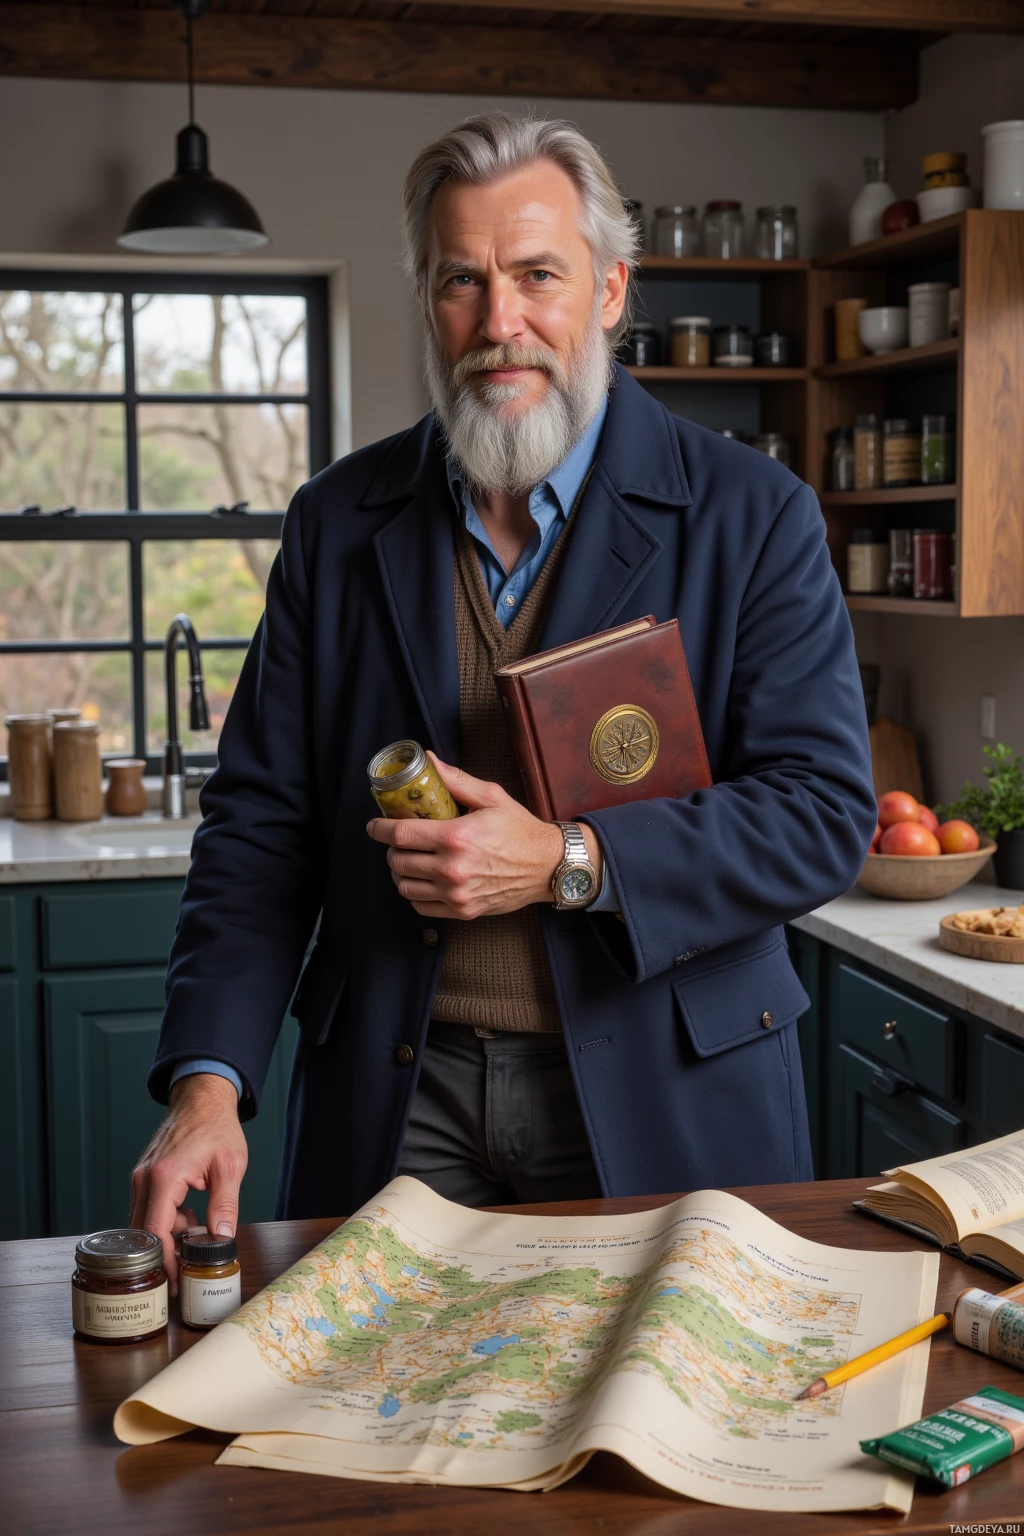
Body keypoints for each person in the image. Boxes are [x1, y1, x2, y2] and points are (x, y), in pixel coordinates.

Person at [132, 111, 876, 1287]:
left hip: (666, 1091)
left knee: (656, 1455)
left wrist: (570, 861)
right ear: (427, 301)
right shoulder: (338, 522)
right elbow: (259, 827)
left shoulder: (751, 514)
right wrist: (205, 1086)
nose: (500, 324)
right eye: (460, 283)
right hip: (396, 1088)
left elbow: (823, 812)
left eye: (537, 275)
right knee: (360, 1444)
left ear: (612, 289)